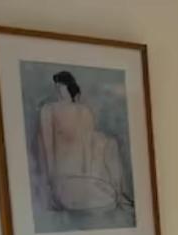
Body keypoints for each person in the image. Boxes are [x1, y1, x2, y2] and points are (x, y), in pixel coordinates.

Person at [38, 71, 118, 211]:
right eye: (57, 86)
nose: (58, 90)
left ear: (69, 86)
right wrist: (51, 180)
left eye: (61, 86)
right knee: (76, 202)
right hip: (61, 179)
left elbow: (87, 148)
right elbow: (48, 148)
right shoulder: (49, 110)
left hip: (83, 178)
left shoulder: (85, 112)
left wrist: (89, 176)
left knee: (106, 199)